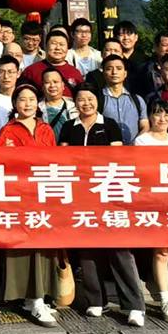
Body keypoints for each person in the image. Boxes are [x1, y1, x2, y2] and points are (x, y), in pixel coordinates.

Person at [58, 87, 142, 322]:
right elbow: (62, 158)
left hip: (108, 192)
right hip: (79, 194)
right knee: (87, 248)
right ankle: (96, 300)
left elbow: (117, 157)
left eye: (90, 99)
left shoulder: (110, 124)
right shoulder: (69, 127)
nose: (86, 103)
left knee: (119, 248)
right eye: (81, 99)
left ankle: (134, 305)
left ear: (98, 101)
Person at [0, 85, 60, 326]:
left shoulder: (46, 129)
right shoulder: (8, 130)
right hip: (20, 196)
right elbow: (5, 163)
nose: (27, 103)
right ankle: (32, 299)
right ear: (15, 104)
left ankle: (40, 296)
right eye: (22, 99)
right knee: (24, 246)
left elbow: (55, 161)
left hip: (44, 194)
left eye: (32, 99)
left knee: (43, 245)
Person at [134, 102, 168, 322]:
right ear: (150, 117)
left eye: (166, 114)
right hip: (155, 202)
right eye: (157, 114)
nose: (162, 119)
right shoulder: (142, 141)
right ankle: (165, 299)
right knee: (162, 252)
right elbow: (142, 171)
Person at [95, 55, 145, 145]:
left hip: (134, 149)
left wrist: (134, 145)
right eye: (109, 68)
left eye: (119, 68)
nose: (114, 72)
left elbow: (145, 126)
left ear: (125, 73)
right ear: (103, 73)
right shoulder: (97, 99)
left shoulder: (137, 100)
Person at [20, 29, 84, 94]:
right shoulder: (31, 71)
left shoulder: (75, 73)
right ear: (45, 46)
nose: (58, 48)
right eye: (54, 44)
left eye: (62, 44)